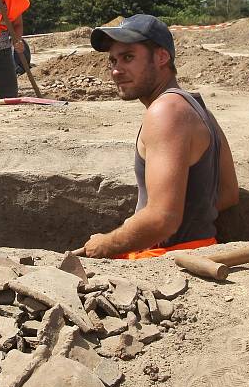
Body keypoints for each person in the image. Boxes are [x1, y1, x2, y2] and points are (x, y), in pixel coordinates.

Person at [81, 15, 239, 260]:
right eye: (112, 60)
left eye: (128, 57)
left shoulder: (165, 112)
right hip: (198, 249)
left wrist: (104, 244)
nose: (116, 70)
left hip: (169, 258)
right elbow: (228, 193)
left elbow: (162, 219)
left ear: (162, 57)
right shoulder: (197, 107)